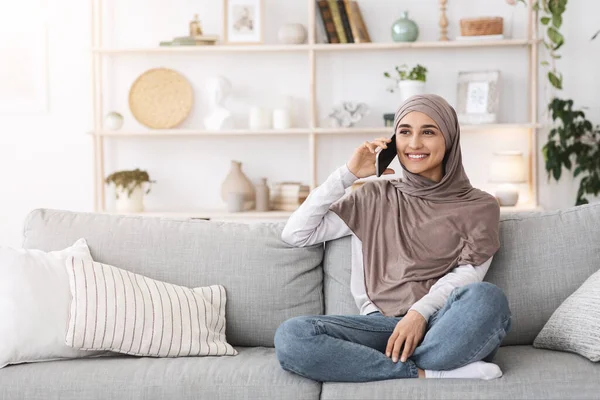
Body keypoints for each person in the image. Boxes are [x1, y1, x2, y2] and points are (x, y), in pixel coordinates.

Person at [274, 94, 512, 382]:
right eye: (404, 132)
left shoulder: (480, 205)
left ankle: (387, 365)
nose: (414, 144)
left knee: (487, 299)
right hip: (381, 328)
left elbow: (469, 275)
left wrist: (419, 314)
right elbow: (296, 233)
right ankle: (429, 373)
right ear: (394, 140)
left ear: (449, 138)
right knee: (292, 335)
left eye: (428, 131)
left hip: (441, 324)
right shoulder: (373, 195)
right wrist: (347, 175)